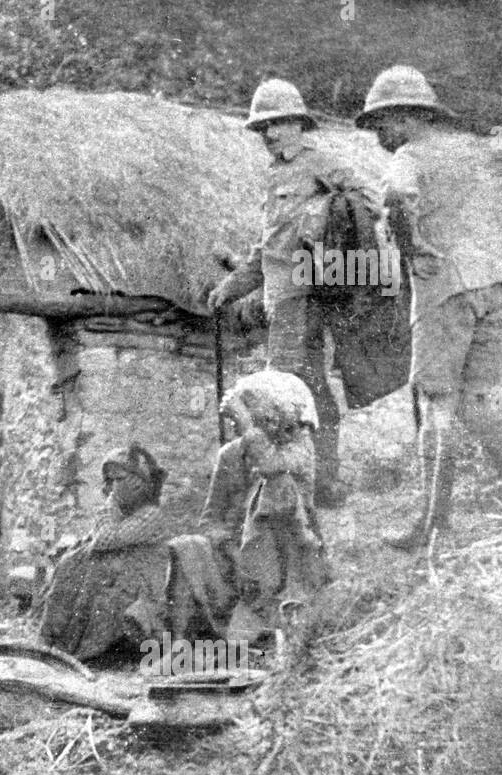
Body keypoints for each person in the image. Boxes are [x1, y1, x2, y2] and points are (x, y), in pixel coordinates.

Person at [355, 66, 502, 550]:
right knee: (476, 404)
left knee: (437, 405)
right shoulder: (472, 154)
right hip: (498, 287)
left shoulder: (411, 155)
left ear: (406, 117)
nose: (378, 138)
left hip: (447, 288)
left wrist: (410, 249)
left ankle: (433, 525)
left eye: (381, 125)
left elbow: (395, 195)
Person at [208, 79, 374, 509]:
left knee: (278, 391)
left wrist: (325, 223)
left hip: (306, 296)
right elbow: (269, 251)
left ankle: (288, 488)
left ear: (298, 124)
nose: (270, 134)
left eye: (278, 124)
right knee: (312, 389)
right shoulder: (275, 176)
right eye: (263, 127)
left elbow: (367, 203)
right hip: (281, 298)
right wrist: (231, 286)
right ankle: (322, 483)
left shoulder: (321, 163)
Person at [130, 371, 330, 653]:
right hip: (234, 557)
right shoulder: (230, 455)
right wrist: (226, 545)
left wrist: (248, 425)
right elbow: (209, 519)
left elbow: (271, 467)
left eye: (240, 420)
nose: (236, 427)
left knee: (278, 492)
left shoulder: (298, 449)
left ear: (265, 420)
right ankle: (176, 646)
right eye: (236, 420)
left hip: (286, 560)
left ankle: (265, 632)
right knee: (185, 547)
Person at [31, 444, 172, 662]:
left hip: (141, 589)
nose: (113, 487)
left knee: (99, 582)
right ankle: (51, 642)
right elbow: (100, 538)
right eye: (110, 480)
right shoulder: (115, 511)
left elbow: (106, 538)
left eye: (120, 479)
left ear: (138, 483)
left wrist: (112, 503)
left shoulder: (152, 516)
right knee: (72, 565)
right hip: (116, 577)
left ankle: (79, 650)